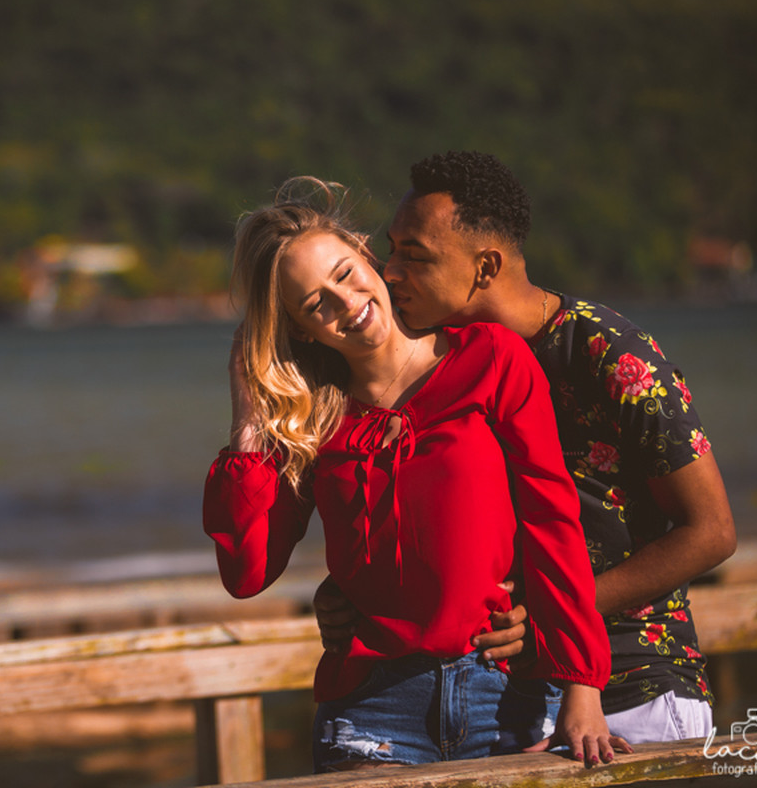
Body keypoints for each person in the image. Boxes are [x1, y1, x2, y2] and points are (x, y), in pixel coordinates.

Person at [203, 177, 629, 771]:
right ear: (302, 329)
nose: (346, 304)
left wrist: (582, 684)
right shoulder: (316, 418)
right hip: (371, 712)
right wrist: (248, 421)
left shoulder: (490, 359)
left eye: (345, 273)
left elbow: (550, 519)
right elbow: (246, 573)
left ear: (366, 256)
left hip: (503, 696)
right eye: (314, 303)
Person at [316, 151, 737, 745]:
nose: (389, 273)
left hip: (634, 683)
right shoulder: (440, 364)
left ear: (484, 265)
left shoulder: (607, 354)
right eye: (391, 250)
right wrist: (348, 590)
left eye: (415, 255)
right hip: (512, 689)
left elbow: (712, 531)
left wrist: (556, 608)